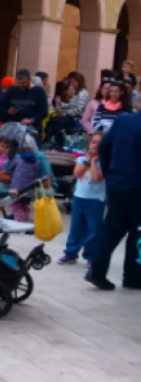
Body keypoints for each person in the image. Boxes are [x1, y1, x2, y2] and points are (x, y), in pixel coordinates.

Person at [86, 109, 141, 291]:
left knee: (111, 228)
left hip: (117, 183)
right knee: (137, 231)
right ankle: (133, 277)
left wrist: (110, 172)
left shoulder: (122, 120)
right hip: (137, 185)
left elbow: (104, 146)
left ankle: (97, 271)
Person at [58, 132, 105, 265]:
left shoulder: (106, 161)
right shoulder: (81, 160)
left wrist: (95, 162)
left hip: (96, 199)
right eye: (93, 142)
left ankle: (91, 255)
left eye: (99, 142)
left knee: (93, 229)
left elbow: (97, 177)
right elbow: (77, 173)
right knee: (76, 227)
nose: (95, 145)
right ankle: (70, 253)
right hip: (80, 197)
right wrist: (88, 160)